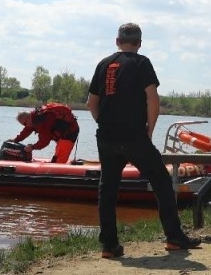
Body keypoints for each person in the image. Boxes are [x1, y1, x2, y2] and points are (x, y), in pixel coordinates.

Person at [85, 23, 202, 259]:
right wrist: (149, 129)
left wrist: (103, 123)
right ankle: (174, 237)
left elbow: (91, 103)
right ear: (139, 43)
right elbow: (153, 99)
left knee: (107, 190)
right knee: (161, 181)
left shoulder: (104, 64)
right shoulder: (141, 63)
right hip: (134, 135)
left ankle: (109, 245)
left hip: (106, 136)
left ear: (117, 41)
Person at [10, 102, 81, 163]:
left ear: (28, 118)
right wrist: (15, 140)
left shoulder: (41, 120)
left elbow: (45, 141)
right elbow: (26, 130)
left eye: (24, 124)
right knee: (56, 157)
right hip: (62, 135)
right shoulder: (33, 117)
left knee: (60, 160)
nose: (25, 126)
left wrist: (32, 147)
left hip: (69, 133)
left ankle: (59, 174)